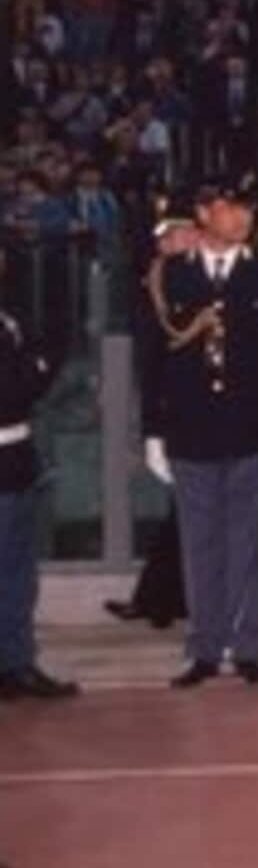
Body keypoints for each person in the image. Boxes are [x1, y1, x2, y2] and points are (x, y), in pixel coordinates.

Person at [137, 169, 258, 689]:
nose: (242, 218)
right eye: (230, 208)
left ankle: (249, 647)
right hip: (191, 427)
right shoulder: (171, 275)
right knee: (200, 543)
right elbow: (153, 360)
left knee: (248, 542)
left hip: (253, 426)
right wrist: (153, 431)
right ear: (204, 213)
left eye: (247, 210)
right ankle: (205, 648)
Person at [0, 244, 76, 700]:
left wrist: (34, 370)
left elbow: (33, 372)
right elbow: (14, 388)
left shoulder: (10, 315)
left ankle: (16, 661)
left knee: (18, 570)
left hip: (16, 454)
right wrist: (34, 369)